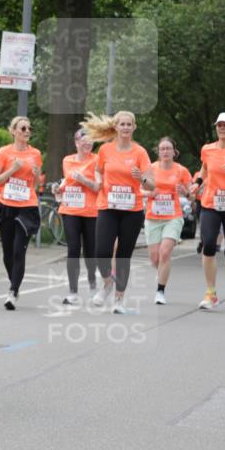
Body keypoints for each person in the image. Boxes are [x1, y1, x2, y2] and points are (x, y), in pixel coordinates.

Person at [81, 111, 154, 315]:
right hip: (108, 207)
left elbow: (151, 185)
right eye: (122, 124)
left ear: (134, 127)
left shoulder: (140, 153)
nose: (125, 127)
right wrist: (99, 181)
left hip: (132, 210)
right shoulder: (105, 150)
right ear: (116, 127)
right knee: (101, 251)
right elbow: (98, 170)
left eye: (129, 124)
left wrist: (141, 179)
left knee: (123, 255)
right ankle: (107, 283)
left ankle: (119, 300)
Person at [0, 116, 42, 310]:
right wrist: (12, 170)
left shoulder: (35, 154)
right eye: (23, 128)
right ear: (13, 131)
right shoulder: (4, 153)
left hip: (27, 206)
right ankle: (15, 283)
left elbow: (35, 185)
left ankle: (12, 291)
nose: (27, 131)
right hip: (6, 205)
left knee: (19, 249)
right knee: (8, 252)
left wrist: (36, 174)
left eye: (29, 128)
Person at [53, 128, 100, 306]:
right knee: (73, 249)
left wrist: (83, 180)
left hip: (91, 211)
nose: (87, 144)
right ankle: (73, 291)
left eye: (90, 141)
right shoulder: (67, 160)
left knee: (90, 251)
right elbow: (66, 182)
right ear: (76, 142)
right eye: (84, 141)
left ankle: (93, 284)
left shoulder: (97, 160)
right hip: (70, 209)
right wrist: (58, 189)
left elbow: (97, 187)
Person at [144, 137, 192, 305]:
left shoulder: (181, 171)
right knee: (154, 259)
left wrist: (185, 191)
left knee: (165, 253)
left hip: (173, 217)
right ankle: (161, 272)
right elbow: (139, 190)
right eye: (162, 149)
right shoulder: (150, 168)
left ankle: (160, 291)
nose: (165, 151)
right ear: (158, 152)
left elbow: (192, 196)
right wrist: (149, 194)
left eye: (168, 148)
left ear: (174, 151)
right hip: (152, 217)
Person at [194, 112, 225, 311]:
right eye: (219, 125)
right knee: (208, 244)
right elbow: (205, 169)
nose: (222, 128)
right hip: (211, 203)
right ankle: (211, 293)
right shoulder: (207, 149)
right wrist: (197, 183)